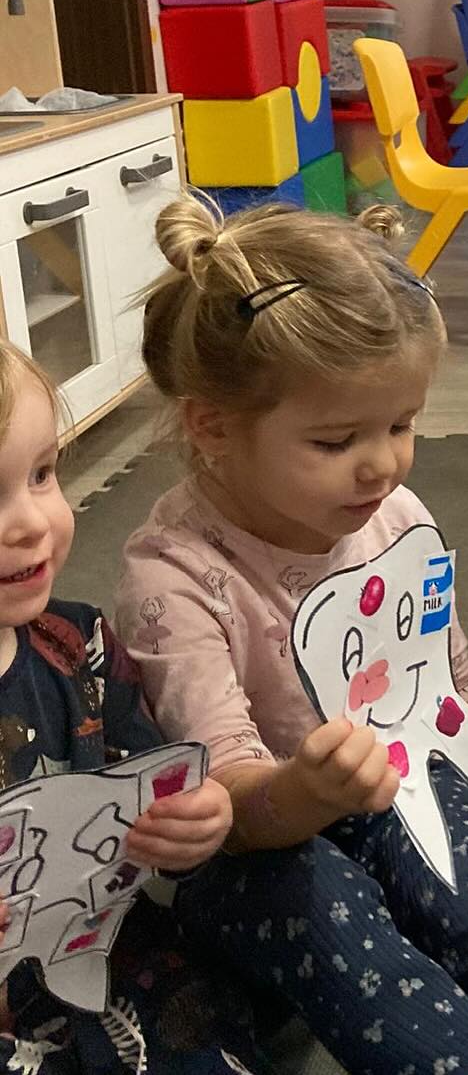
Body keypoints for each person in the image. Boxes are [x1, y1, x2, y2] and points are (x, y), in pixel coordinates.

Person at [115, 196, 468, 1075]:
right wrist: (309, 788)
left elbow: (451, 683)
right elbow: (231, 807)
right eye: (336, 440)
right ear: (212, 425)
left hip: (393, 786)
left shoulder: (392, 514)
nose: (384, 463)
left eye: (401, 425)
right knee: (359, 948)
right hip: (259, 848)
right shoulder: (174, 577)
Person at [0, 338, 276, 1074]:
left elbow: (154, 776)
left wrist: (197, 817)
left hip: (101, 950)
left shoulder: (79, 643)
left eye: (41, 473)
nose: (30, 522)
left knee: (209, 1017)